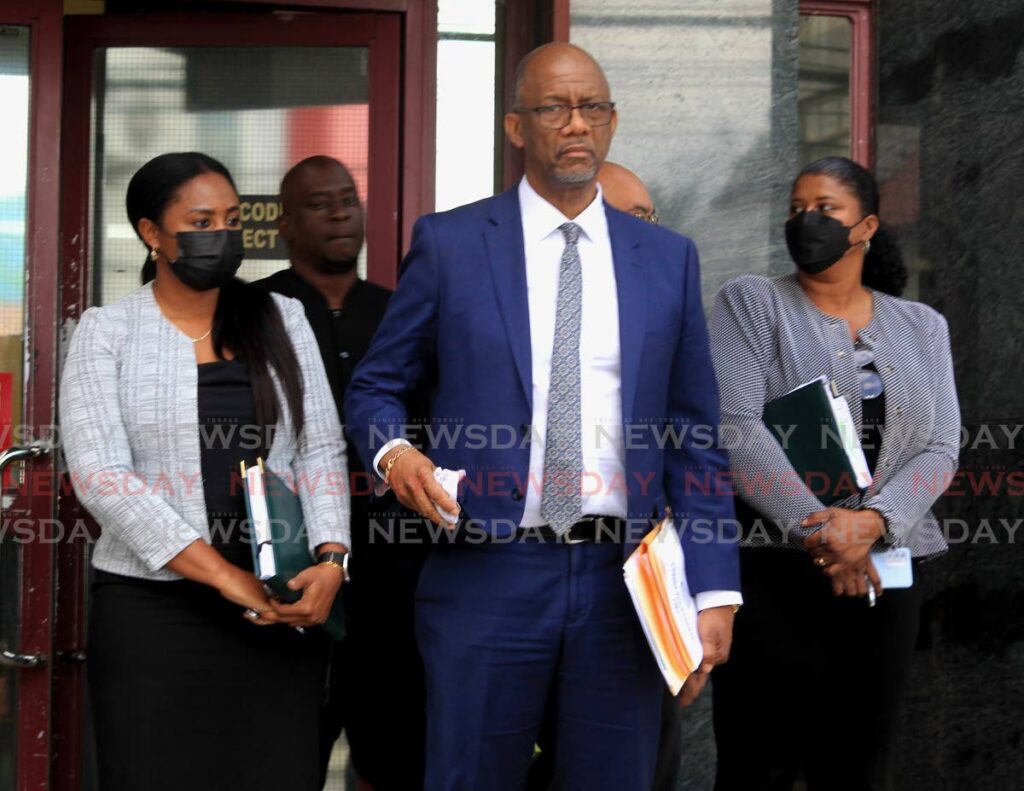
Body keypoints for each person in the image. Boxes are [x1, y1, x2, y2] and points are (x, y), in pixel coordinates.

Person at [345, 43, 741, 789]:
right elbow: (374, 386)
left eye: (593, 108)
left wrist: (714, 590)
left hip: (623, 580)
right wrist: (397, 456)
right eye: (555, 108)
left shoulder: (667, 258)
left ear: (613, 121)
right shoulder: (453, 244)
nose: (576, 125)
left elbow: (695, 437)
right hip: (488, 570)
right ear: (516, 127)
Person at [60, 152, 350, 791]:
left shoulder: (283, 318)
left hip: (279, 606)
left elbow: (321, 450)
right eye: (200, 221)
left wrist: (331, 562)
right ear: (152, 234)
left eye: (232, 219)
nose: (221, 235)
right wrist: (224, 578)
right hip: (152, 614)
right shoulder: (105, 333)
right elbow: (101, 474)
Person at [708, 156, 959, 790]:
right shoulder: (754, 302)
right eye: (796, 209)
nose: (806, 221)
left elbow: (942, 446)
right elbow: (736, 427)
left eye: (825, 208)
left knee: (858, 764)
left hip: (888, 571)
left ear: (866, 226)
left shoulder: (922, 327)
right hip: (776, 573)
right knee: (758, 764)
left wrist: (873, 523)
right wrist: (825, 534)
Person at [255, 155, 426, 790]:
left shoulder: (398, 310)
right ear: (284, 224)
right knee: (285, 750)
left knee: (397, 751)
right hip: (290, 563)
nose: (339, 213)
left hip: (391, 569)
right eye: (320, 203)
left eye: (348, 199)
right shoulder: (254, 312)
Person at [527, 160, 686, 791]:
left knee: (646, 763)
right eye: (633, 217)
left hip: (639, 575)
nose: (648, 230)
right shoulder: (528, 312)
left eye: (651, 216)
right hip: (522, 570)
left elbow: (699, 441)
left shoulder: (667, 310)